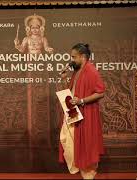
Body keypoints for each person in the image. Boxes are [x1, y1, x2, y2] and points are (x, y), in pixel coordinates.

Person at [59, 43, 105, 179]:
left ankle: (89, 177)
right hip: (74, 114)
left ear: (83, 57)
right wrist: (64, 79)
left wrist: (82, 101)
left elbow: (100, 92)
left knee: (85, 147)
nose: (71, 60)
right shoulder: (77, 71)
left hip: (86, 116)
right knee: (67, 140)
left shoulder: (91, 71)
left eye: (74, 57)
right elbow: (71, 92)